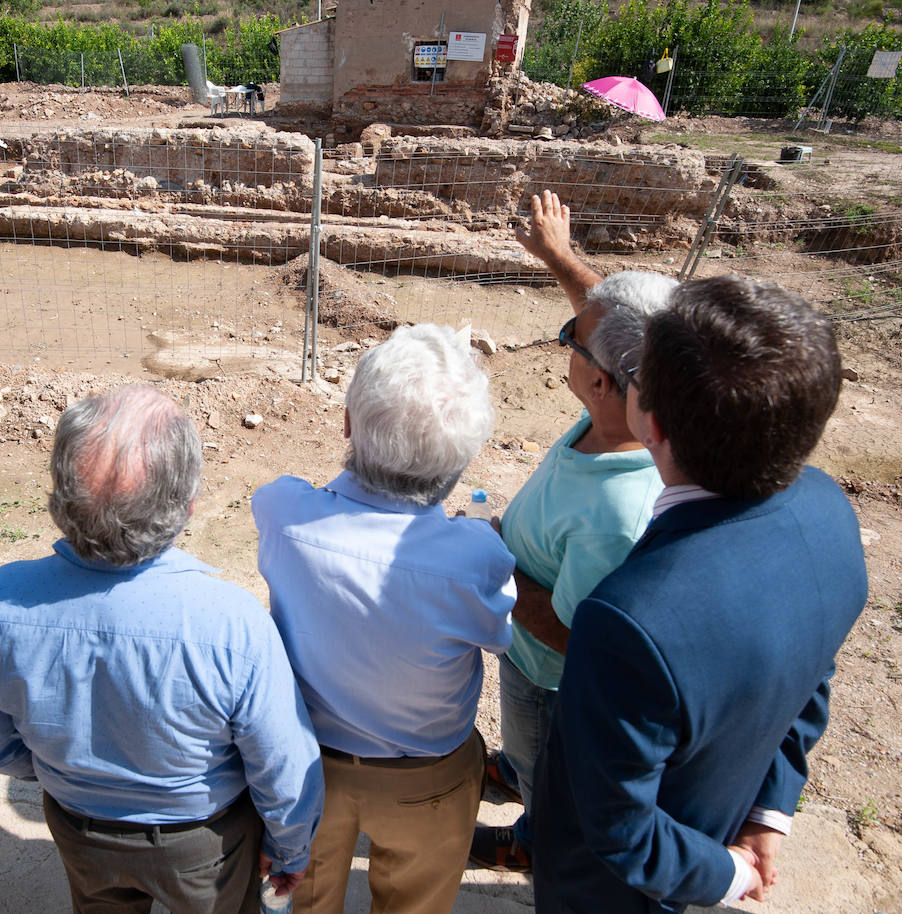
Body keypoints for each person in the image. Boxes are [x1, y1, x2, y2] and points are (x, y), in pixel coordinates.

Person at [530, 275, 869, 912]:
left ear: (649, 420)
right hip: (716, 814)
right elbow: (810, 672)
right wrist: (770, 810)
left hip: (610, 887)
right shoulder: (830, 513)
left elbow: (622, 832)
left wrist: (729, 874)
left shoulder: (627, 620)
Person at [0, 385, 324, 914]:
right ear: (187, 503)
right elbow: (282, 767)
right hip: (204, 844)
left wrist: (56, 771)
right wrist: (290, 849)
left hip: (79, 829)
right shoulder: (233, 625)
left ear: (60, 496)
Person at [252, 323, 517, 914]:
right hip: (427, 776)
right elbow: (501, 637)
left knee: (305, 896)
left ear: (348, 423)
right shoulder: (477, 558)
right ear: (465, 455)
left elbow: (304, 497)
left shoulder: (281, 511)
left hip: (310, 765)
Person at [471, 192, 676, 872]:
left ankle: (532, 831)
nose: (565, 335)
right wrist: (559, 258)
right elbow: (618, 322)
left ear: (596, 379)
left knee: (546, 760)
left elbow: (574, 638)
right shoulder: (637, 402)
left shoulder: (618, 516)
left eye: (568, 336)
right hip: (529, 657)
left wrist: (498, 563)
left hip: (548, 675)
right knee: (525, 741)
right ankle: (512, 765)